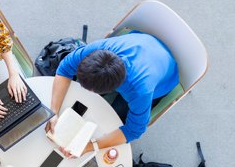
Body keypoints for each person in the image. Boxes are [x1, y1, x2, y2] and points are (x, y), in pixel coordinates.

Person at [46, 32, 179, 156]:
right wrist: (53, 112)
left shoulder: (140, 91)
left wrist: (88, 147)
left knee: (115, 118)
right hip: (143, 41)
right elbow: (64, 69)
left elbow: (134, 130)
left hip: (164, 76)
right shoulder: (97, 50)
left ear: (111, 89)